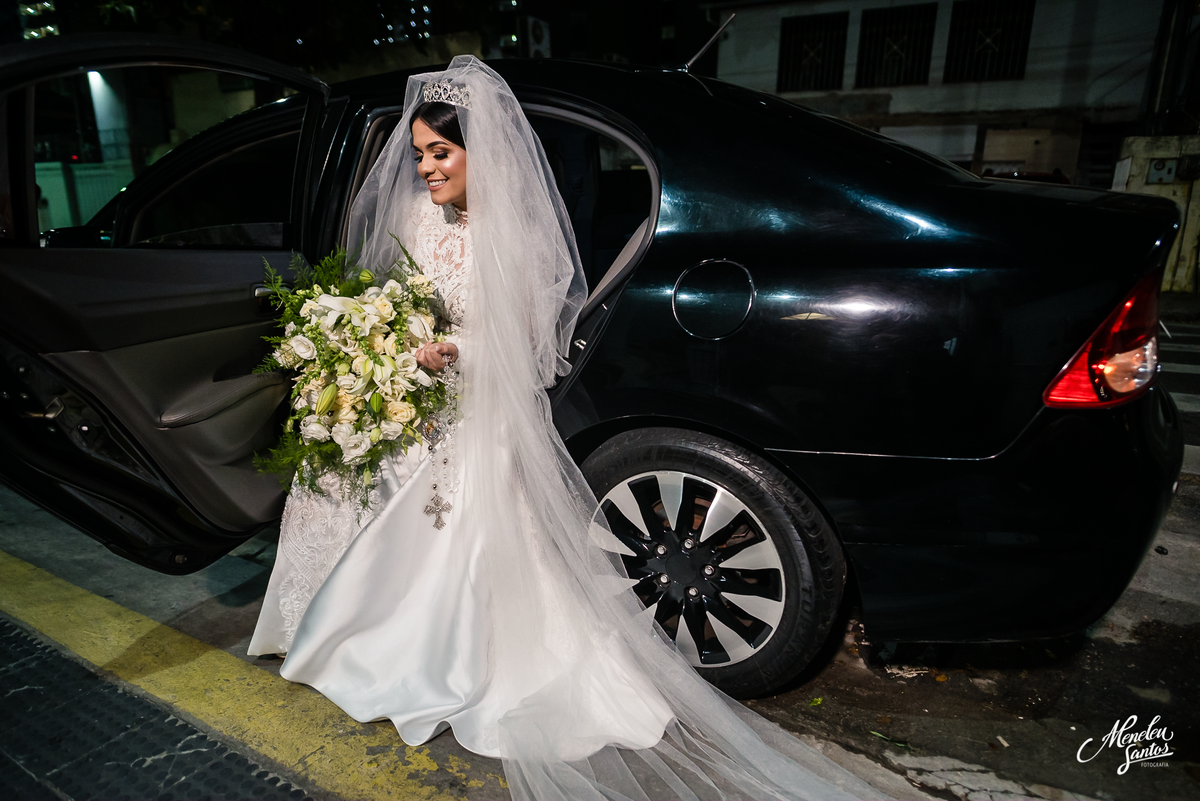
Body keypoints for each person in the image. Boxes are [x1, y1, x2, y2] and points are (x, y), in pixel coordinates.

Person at [250, 56, 888, 801]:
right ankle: (340, 622)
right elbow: (393, 299)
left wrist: (454, 352)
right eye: (419, 153)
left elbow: (525, 350)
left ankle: (418, 651)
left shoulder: (515, 236)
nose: (425, 169)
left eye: (440, 153)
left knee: (452, 512)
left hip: (478, 402)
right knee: (336, 466)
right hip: (419, 390)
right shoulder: (417, 218)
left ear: (481, 153)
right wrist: (389, 344)